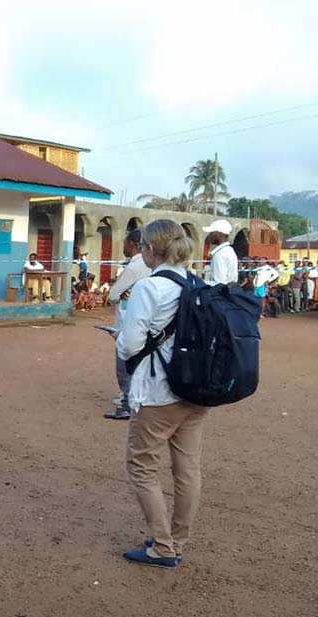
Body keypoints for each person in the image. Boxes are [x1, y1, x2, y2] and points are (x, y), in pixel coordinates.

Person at [116, 218, 207, 569]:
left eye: (142, 247)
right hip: (196, 390)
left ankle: (162, 546)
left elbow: (132, 345)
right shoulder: (198, 282)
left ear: (152, 250)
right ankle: (177, 540)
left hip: (159, 391)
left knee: (142, 465)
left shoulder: (149, 288)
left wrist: (121, 337)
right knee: (187, 468)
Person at [104, 229, 149, 421]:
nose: (122, 246)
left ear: (131, 244)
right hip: (146, 319)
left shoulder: (133, 267)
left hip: (128, 319)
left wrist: (121, 293)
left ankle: (127, 403)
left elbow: (113, 295)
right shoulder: (151, 264)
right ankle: (137, 398)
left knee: (124, 360)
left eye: (124, 242)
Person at [202, 219, 238, 285]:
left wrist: (201, 283)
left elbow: (219, 283)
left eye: (211, 232)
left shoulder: (219, 254)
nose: (209, 235)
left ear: (220, 234)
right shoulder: (229, 250)